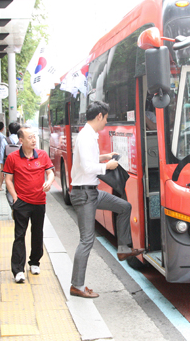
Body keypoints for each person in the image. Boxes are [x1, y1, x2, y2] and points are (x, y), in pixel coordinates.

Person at [69, 101, 144, 298]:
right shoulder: (85, 137)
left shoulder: (88, 135)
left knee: (124, 207)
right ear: (100, 116)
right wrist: (107, 167)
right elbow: (87, 167)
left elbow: (88, 160)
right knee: (86, 240)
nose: (107, 122)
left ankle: (123, 249)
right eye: (107, 117)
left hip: (91, 192)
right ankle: (77, 285)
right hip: (84, 194)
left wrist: (104, 156)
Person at [3, 126, 54, 283]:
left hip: (39, 201)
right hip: (22, 203)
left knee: (37, 233)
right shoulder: (12, 158)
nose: (34, 139)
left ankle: (34, 262)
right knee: (19, 235)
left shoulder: (43, 155)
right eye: (30, 137)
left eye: (34, 137)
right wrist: (14, 197)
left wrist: (49, 182)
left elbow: (51, 172)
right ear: (21, 140)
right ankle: (18, 270)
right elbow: (8, 179)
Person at [2, 122, 21, 207]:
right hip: (20, 168)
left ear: (9, 130)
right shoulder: (21, 140)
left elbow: (1, 157)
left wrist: (2, 170)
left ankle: (13, 206)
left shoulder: (4, 140)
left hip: (8, 168)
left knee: (9, 186)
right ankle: (19, 204)